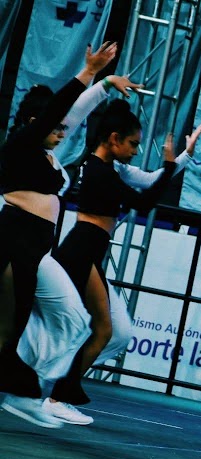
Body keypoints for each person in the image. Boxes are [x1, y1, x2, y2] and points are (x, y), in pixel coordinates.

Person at [0, 42, 117, 427]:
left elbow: (71, 115)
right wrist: (90, 72)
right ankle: (22, 390)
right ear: (36, 121)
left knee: (72, 319)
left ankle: (28, 389)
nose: (63, 132)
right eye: (56, 126)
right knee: (8, 327)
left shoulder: (50, 154)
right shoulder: (20, 145)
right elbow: (60, 111)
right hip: (14, 242)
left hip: (37, 251)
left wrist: (103, 86)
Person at [41, 99, 177, 424]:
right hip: (82, 248)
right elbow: (144, 203)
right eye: (132, 144)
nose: (135, 151)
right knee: (99, 329)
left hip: (86, 248)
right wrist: (169, 166)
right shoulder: (100, 171)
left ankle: (55, 393)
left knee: (99, 329)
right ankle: (56, 396)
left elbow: (144, 189)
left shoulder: (100, 167)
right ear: (114, 139)